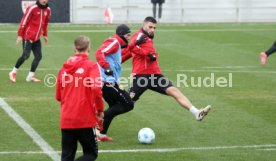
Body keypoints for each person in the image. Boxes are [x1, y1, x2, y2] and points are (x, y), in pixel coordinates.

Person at [123, 16, 211, 121]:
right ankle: (103, 118)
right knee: (126, 105)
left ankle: (196, 112)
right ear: (144, 25)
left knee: (174, 91)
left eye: (154, 28)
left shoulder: (149, 37)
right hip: (142, 76)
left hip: (155, 75)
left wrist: (151, 56)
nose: (152, 30)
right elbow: (131, 49)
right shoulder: (138, 36)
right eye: (150, 27)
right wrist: (148, 54)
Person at [56, 36, 104, 161]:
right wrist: (100, 110)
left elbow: (58, 96)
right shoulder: (91, 66)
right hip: (84, 118)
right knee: (91, 153)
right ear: (89, 49)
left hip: (66, 118)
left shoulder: (64, 68)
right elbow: (96, 89)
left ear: (74, 49)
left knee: (67, 156)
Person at [95, 24, 136, 141]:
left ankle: (101, 134)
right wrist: (106, 67)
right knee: (128, 104)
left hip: (109, 82)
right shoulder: (114, 42)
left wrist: (132, 51)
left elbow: (118, 61)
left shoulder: (117, 45)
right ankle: (97, 118)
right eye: (128, 35)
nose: (129, 37)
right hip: (106, 82)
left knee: (114, 107)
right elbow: (99, 53)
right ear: (122, 34)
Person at [9, 0, 51, 83]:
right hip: (28, 37)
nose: (44, 0)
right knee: (26, 56)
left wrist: (45, 34)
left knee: (38, 56)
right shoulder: (32, 8)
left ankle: (30, 76)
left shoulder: (48, 9)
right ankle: (13, 72)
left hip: (37, 38)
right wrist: (20, 35)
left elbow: (45, 23)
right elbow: (24, 21)